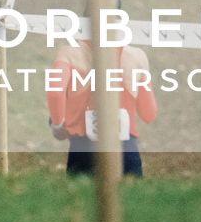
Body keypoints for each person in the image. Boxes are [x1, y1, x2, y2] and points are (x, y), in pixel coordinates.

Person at [46, 36, 156, 177]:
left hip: (83, 146)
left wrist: (57, 124)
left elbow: (55, 92)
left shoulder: (69, 53)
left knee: (81, 198)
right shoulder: (137, 56)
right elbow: (148, 114)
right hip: (125, 146)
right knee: (130, 197)